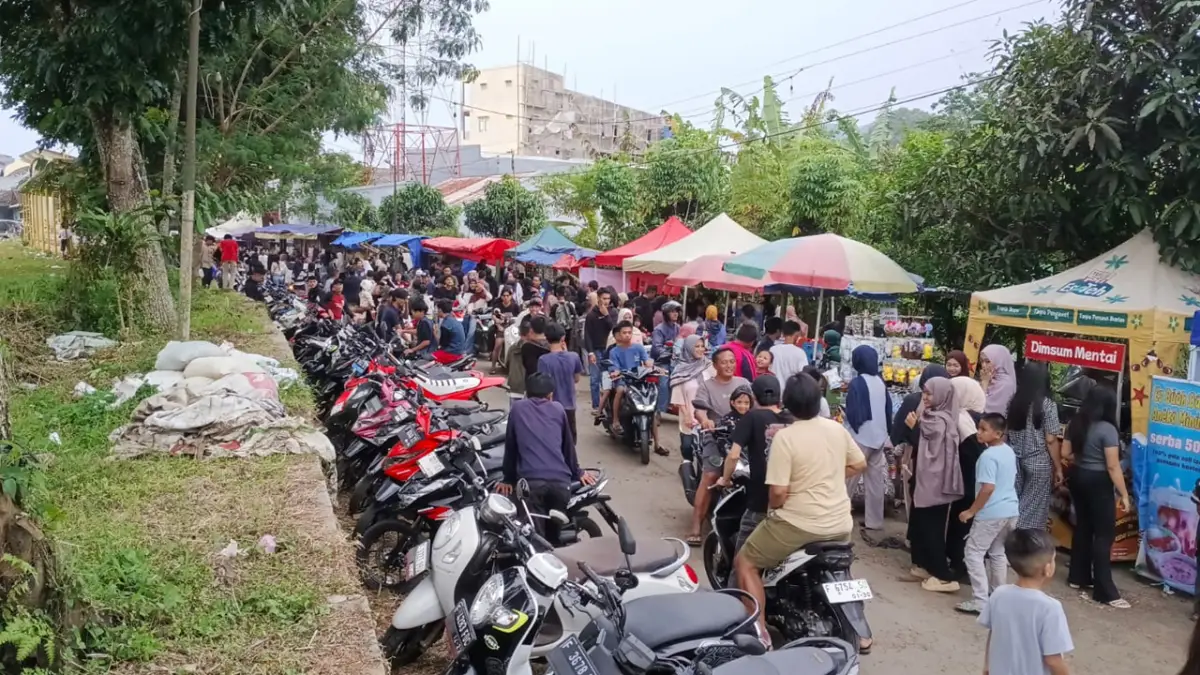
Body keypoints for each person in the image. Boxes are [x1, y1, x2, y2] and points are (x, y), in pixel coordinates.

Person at [734, 374, 868, 650]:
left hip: (799, 524)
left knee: (745, 562)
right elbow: (859, 463)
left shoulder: (786, 438)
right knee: (839, 567)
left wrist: (781, 503)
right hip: (841, 523)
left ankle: (760, 632)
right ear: (819, 400)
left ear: (788, 403)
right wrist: (828, 478)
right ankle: (863, 634)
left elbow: (779, 494)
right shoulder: (836, 429)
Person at [497, 372, 596, 544]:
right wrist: (578, 472)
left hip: (532, 485)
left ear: (527, 393)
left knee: (535, 541)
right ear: (550, 394)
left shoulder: (518, 408)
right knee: (552, 537)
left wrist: (508, 479)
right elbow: (568, 448)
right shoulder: (558, 409)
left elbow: (511, 447)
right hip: (561, 484)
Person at [1061, 385, 1130, 608]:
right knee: (1103, 534)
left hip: (1078, 477)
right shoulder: (1107, 429)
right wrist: (1125, 494)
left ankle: (1077, 577)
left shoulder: (1076, 423)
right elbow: (1112, 466)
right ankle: (1105, 591)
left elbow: (1065, 454)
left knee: (1083, 527)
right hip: (1099, 481)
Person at [978, 529, 1074, 675]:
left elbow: (994, 633)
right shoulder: (1050, 608)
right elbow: (1053, 660)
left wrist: (987, 665)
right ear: (1048, 569)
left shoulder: (999, 594)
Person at [718, 375, 794, 553]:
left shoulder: (751, 418)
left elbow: (733, 455)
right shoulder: (792, 420)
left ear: (755, 397)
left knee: (742, 561)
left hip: (761, 501)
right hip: (791, 500)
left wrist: (725, 479)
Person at [955, 413, 1020, 614]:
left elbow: (987, 488)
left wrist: (971, 511)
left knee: (973, 553)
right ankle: (997, 596)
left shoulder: (987, 456)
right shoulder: (1008, 452)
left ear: (998, 433)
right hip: (1010, 510)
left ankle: (980, 600)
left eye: (984, 429)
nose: (979, 433)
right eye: (979, 428)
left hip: (991, 512)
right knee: (997, 552)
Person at [905, 376, 965, 593]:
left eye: (930, 394)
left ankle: (944, 576)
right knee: (921, 524)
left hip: (935, 483)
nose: (926, 398)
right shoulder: (935, 416)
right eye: (924, 393)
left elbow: (927, 448)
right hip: (927, 480)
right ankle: (924, 565)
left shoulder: (941, 421)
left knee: (932, 528)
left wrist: (915, 427)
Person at [686, 348, 751, 545]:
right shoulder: (707, 386)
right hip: (717, 438)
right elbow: (699, 409)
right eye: (724, 362)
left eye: (732, 361)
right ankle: (696, 526)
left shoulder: (744, 383)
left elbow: (757, 406)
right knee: (711, 475)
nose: (729, 365)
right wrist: (705, 420)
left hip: (746, 439)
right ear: (714, 365)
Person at [1007, 361, 1063, 531]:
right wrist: (1058, 467)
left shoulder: (1014, 401)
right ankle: (1021, 540)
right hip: (1038, 460)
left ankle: (1006, 536)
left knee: (1014, 500)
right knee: (1032, 507)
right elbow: (1051, 439)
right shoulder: (1047, 404)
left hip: (1014, 458)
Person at [844, 345, 892, 534]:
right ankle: (875, 521)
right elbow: (888, 409)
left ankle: (840, 516)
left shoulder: (857, 382)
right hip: (879, 436)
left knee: (848, 479)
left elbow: (853, 412)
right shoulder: (880, 381)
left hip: (861, 436)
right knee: (875, 481)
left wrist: (850, 431)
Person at [948, 376, 988, 577]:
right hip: (971, 481)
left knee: (962, 519)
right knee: (963, 520)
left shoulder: (967, 418)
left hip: (969, 480)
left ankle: (957, 560)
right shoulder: (969, 419)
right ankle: (958, 561)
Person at [538, 322, 584, 442]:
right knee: (570, 440)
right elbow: (576, 378)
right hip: (569, 404)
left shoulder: (543, 360)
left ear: (547, 339)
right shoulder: (573, 357)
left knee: (553, 439)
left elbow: (543, 384)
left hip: (551, 405)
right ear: (563, 338)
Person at [671, 335, 713, 468]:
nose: (700, 349)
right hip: (689, 416)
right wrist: (687, 415)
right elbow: (678, 397)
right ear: (688, 348)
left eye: (702, 346)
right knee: (687, 447)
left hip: (709, 417)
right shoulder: (680, 370)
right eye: (697, 346)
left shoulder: (709, 366)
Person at [607, 321, 653, 439]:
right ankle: (616, 420)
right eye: (624, 333)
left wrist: (650, 365)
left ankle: (657, 441)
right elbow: (614, 366)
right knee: (620, 390)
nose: (627, 335)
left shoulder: (638, 348)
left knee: (651, 394)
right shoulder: (614, 352)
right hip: (622, 379)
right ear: (618, 335)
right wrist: (616, 371)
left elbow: (646, 361)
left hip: (638, 379)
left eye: (629, 332)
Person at [584, 288, 619, 413]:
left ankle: (607, 405)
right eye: (604, 298)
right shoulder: (591, 315)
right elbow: (587, 334)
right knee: (595, 379)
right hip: (596, 349)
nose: (606, 301)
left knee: (608, 378)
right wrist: (590, 352)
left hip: (609, 350)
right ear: (598, 298)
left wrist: (606, 316)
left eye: (608, 299)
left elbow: (615, 329)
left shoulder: (613, 312)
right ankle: (596, 405)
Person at [770, 320, 810, 386]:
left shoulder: (773, 349)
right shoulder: (800, 353)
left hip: (774, 388)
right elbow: (803, 374)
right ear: (796, 334)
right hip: (790, 391)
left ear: (783, 333)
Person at [981, 344, 1018, 414]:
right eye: (982, 361)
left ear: (999, 360)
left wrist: (985, 383)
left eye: (987, 361)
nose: (983, 365)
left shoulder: (1006, 384)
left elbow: (981, 406)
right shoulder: (991, 378)